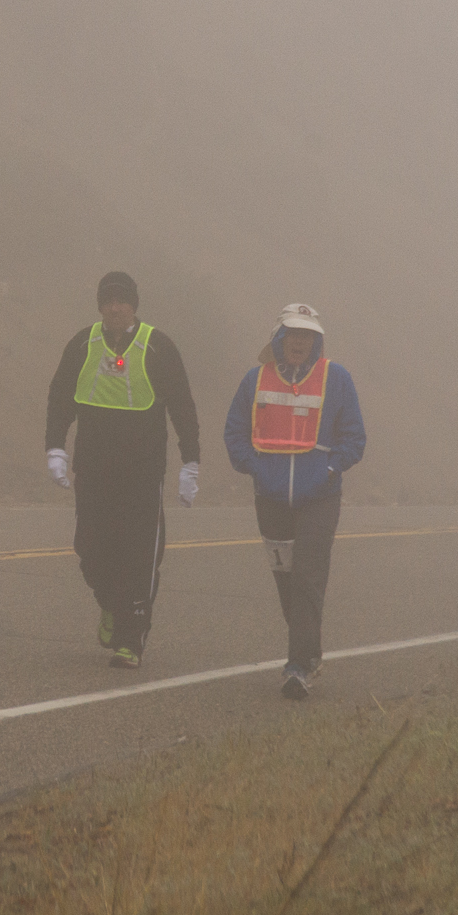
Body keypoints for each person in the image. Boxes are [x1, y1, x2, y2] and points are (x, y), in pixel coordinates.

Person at [45, 271, 202, 669]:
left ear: (134, 305)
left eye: (123, 300)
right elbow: (60, 396)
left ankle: (132, 638)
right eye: (108, 300)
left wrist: (191, 461)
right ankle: (110, 604)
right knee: (91, 549)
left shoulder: (158, 346)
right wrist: (55, 449)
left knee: (139, 554)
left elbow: (183, 405)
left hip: (143, 474)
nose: (116, 307)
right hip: (93, 468)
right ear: (100, 306)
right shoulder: (83, 343)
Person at [223, 304, 366, 699]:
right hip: (269, 499)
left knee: (308, 577)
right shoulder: (255, 380)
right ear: (279, 338)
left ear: (317, 341)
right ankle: (311, 653)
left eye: (308, 335)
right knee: (286, 580)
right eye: (293, 334)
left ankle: (297, 667)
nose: (300, 341)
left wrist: (331, 470)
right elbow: (235, 431)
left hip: (320, 497)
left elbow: (355, 437)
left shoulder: (337, 378)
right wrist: (253, 467)